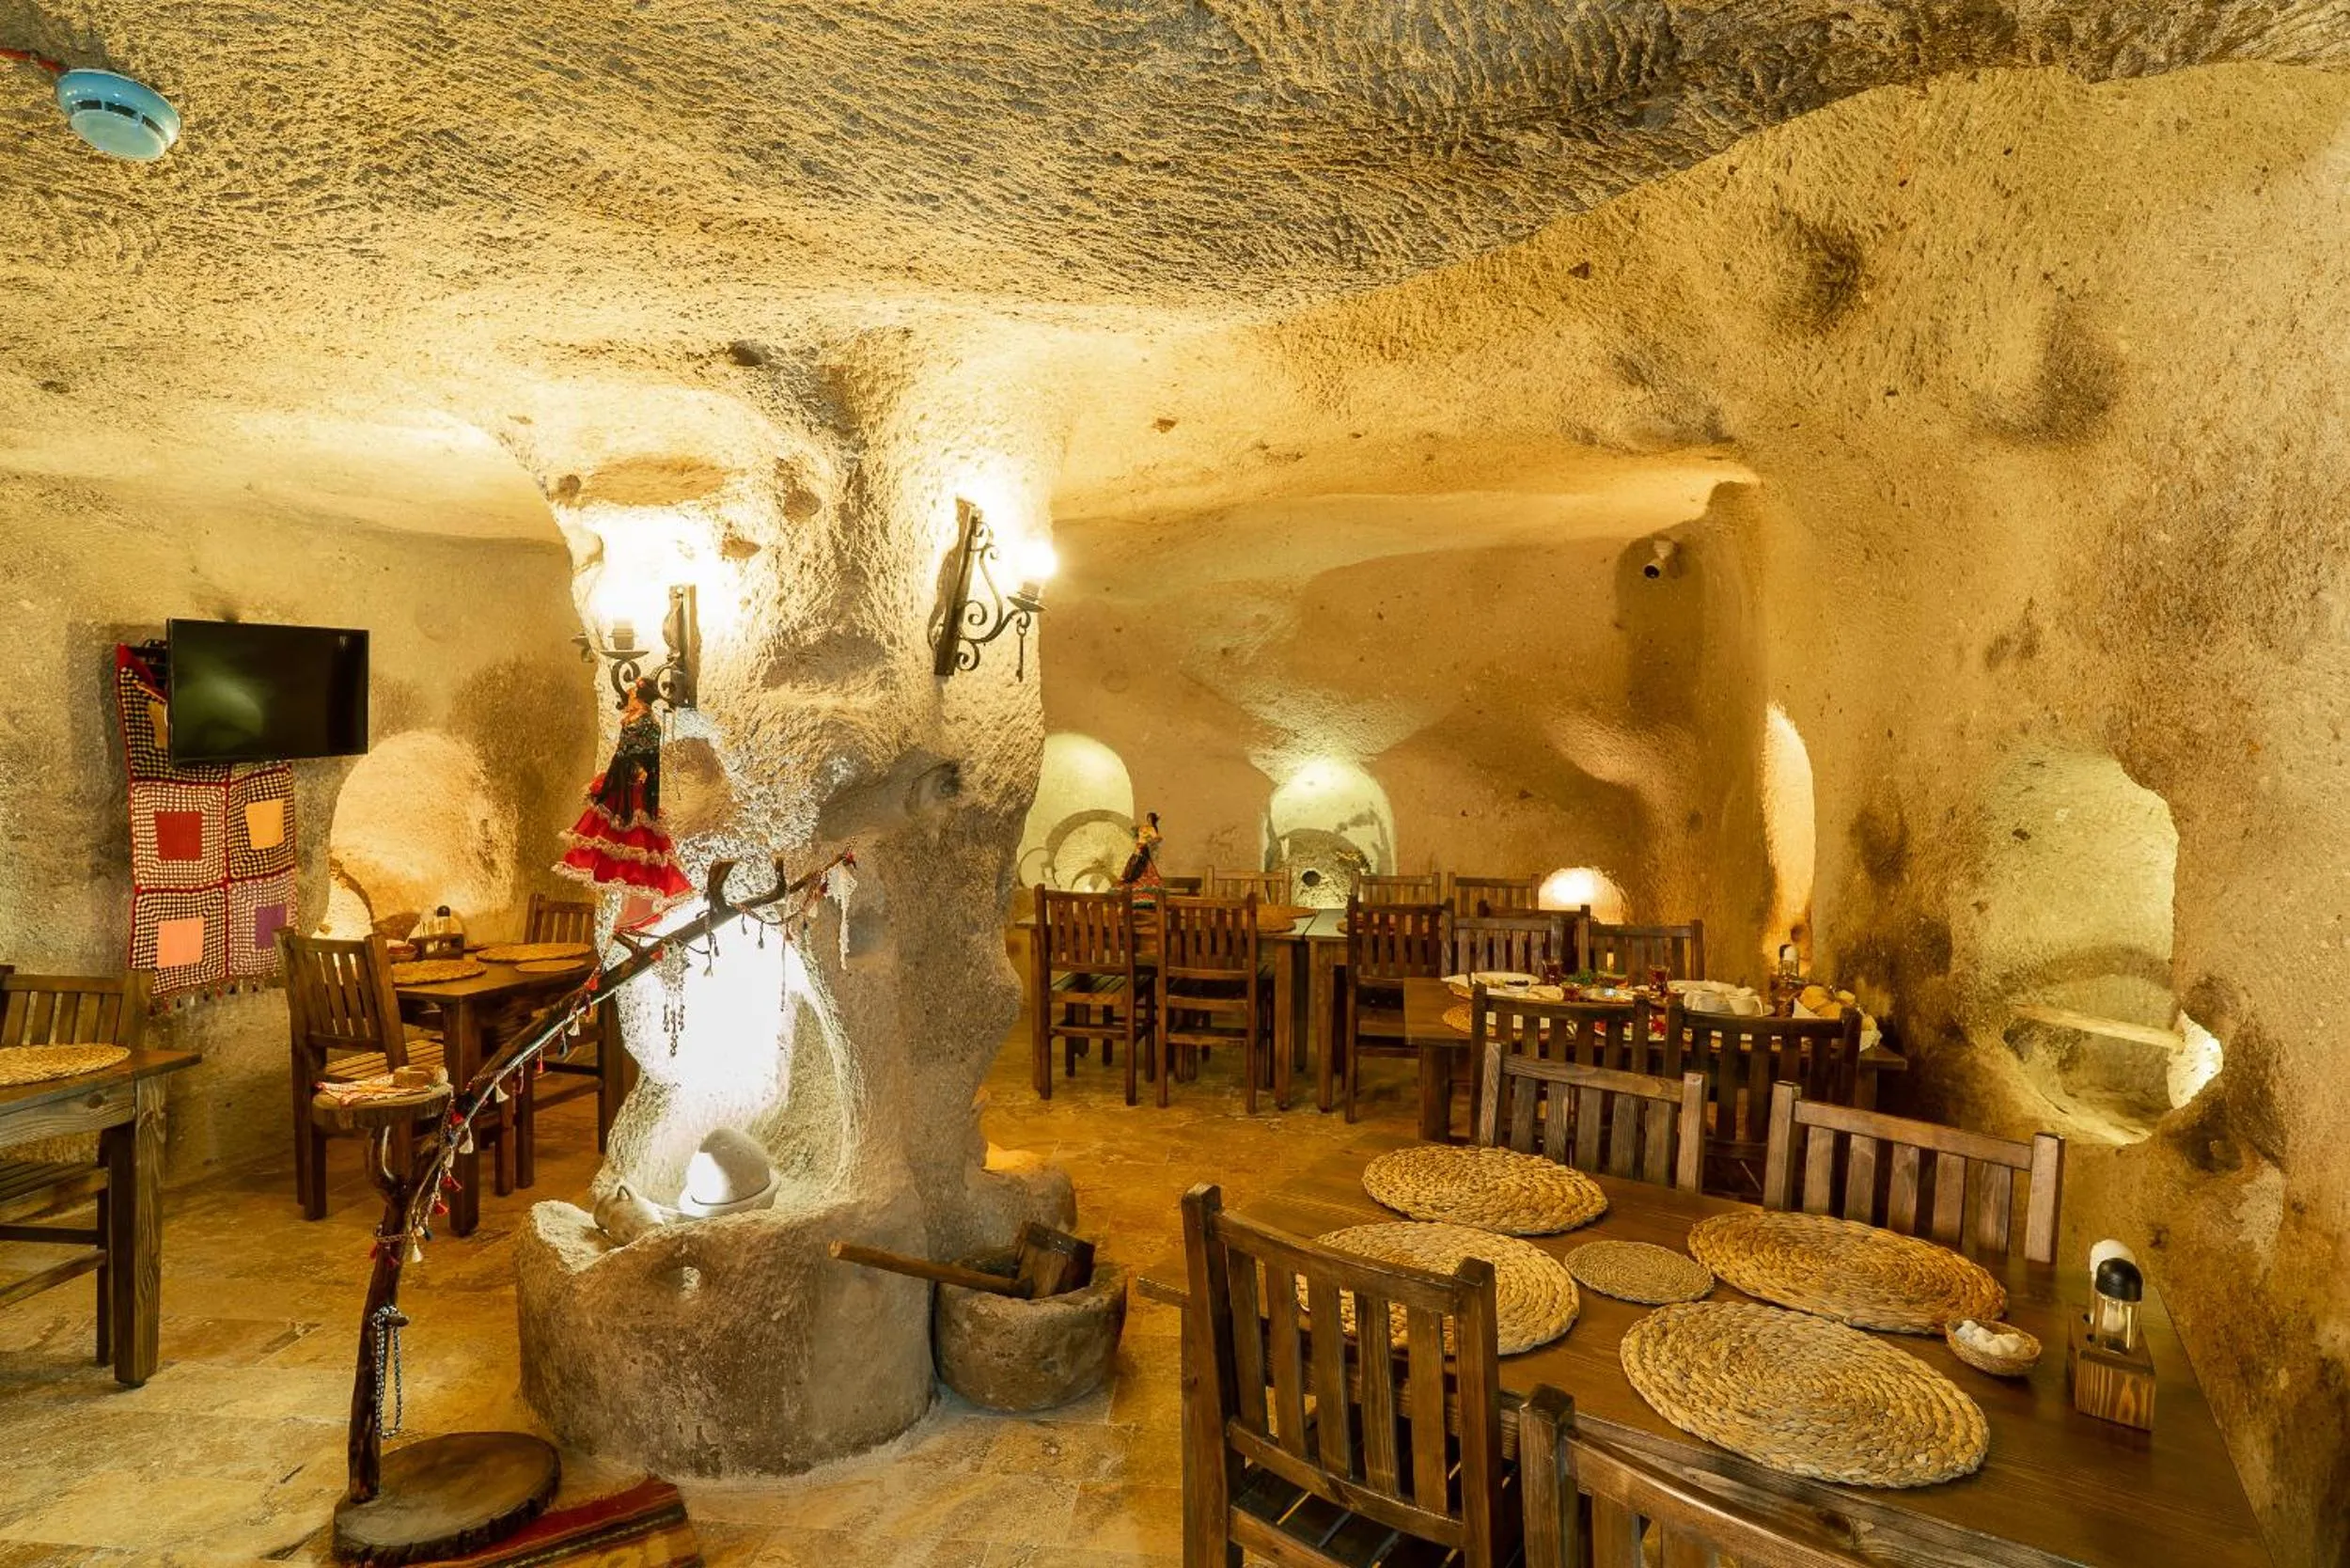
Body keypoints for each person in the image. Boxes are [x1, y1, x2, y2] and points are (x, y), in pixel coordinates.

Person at [556, 676, 693, 919]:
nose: (628, 695)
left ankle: (637, 912)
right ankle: (631, 910)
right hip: (627, 785)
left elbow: (633, 760)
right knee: (621, 843)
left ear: (639, 697)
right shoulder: (641, 721)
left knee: (630, 842)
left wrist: (614, 784)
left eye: (632, 693)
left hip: (629, 789)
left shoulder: (643, 723)